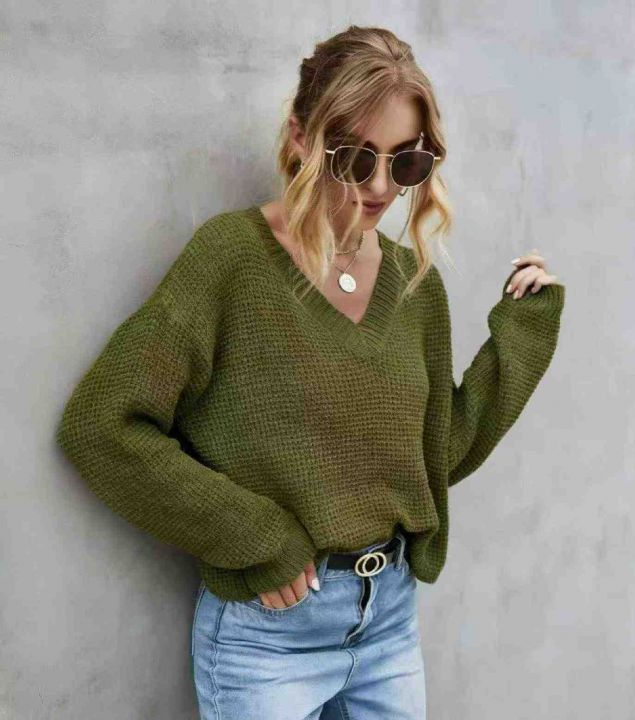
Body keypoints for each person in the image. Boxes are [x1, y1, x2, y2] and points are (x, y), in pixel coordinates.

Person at [55, 24, 565, 720]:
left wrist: (523, 336)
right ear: (301, 137)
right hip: (268, 639)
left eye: (406, 163)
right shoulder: (231, 260)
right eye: (355, 158)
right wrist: (255, 535)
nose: (381, 187)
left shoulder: (415, 286)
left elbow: (434, 454)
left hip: (388, 625)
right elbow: (101, 425)